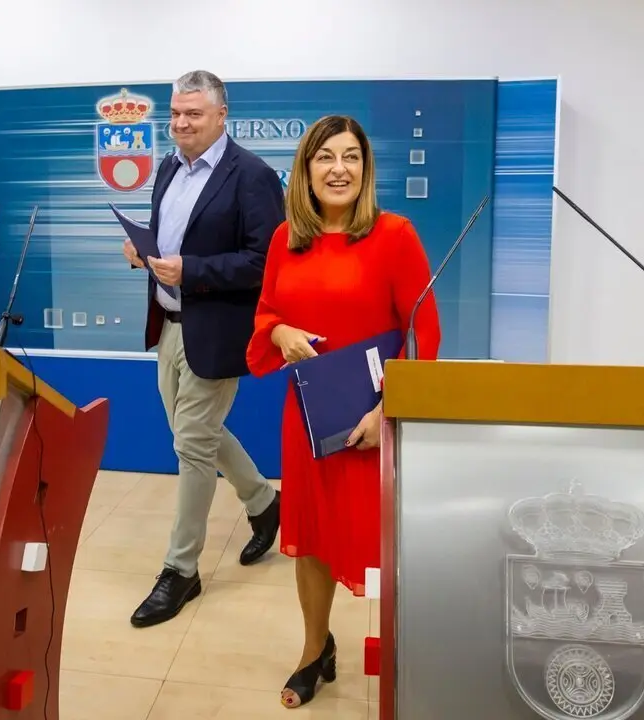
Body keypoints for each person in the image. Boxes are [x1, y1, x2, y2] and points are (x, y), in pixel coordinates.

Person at [245, 116, 441, 708]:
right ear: (305, 169)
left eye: (351, 157)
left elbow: (423, 333)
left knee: (380, 549)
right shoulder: (286, 240)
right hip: (307, 419)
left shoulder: (395, 234)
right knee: (313, 540)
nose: (338, 168)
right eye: (325, 157)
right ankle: (314, 651)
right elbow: (265, 313)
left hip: (373, 425)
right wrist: (278, 333)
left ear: (366, 168)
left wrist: (388, 412)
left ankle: (398, 660)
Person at [123, 70, 284, 628]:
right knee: (197, 434)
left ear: (221, 116)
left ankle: (180, 570)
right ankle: (264, 503)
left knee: (192, 446)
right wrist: (143, 250)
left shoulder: (254, 177)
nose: (181, 124)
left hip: (216, 331)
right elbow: (172, 238)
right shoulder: (168, 167)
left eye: (193, 114)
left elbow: (267, 263)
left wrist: (193, 271)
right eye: (174, 114)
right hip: (168, 325)